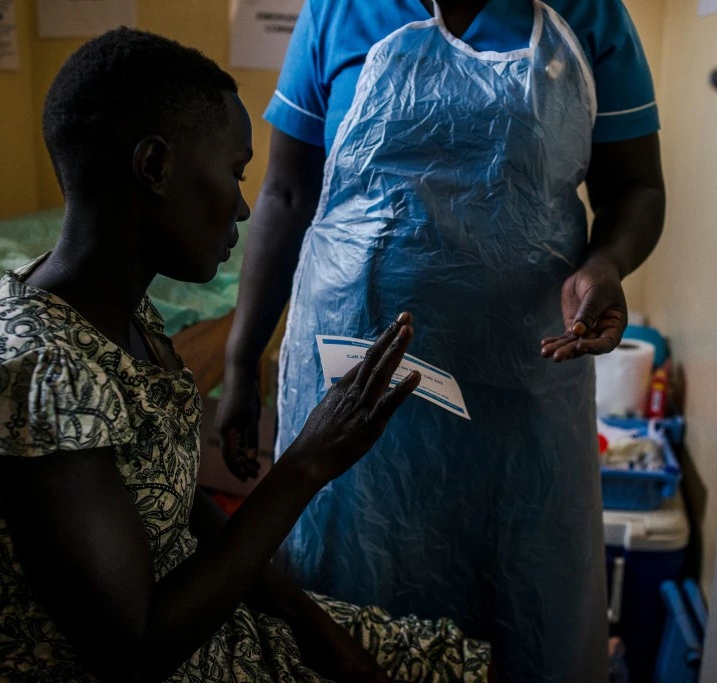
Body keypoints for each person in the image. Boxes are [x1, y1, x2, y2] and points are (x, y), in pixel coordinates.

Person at [0, 28, 491, 682]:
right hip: (136, 661)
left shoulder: (118, 313)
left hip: (201, 627)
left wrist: (318, 630)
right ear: (155, 166)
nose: (243, 206)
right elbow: (135, 650)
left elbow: (181, 503)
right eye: (235, 171)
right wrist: (304, 464)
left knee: (456, 656)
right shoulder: (38, 371)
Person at [216, 0, 666, 680]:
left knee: (518, 588)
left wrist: (606, 264)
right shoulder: (339, 11)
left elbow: (636, 185)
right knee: (350, 591)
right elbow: (284, 193)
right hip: (354, 379)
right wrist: (239, 355)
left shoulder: (588, 14)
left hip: (520, 380)